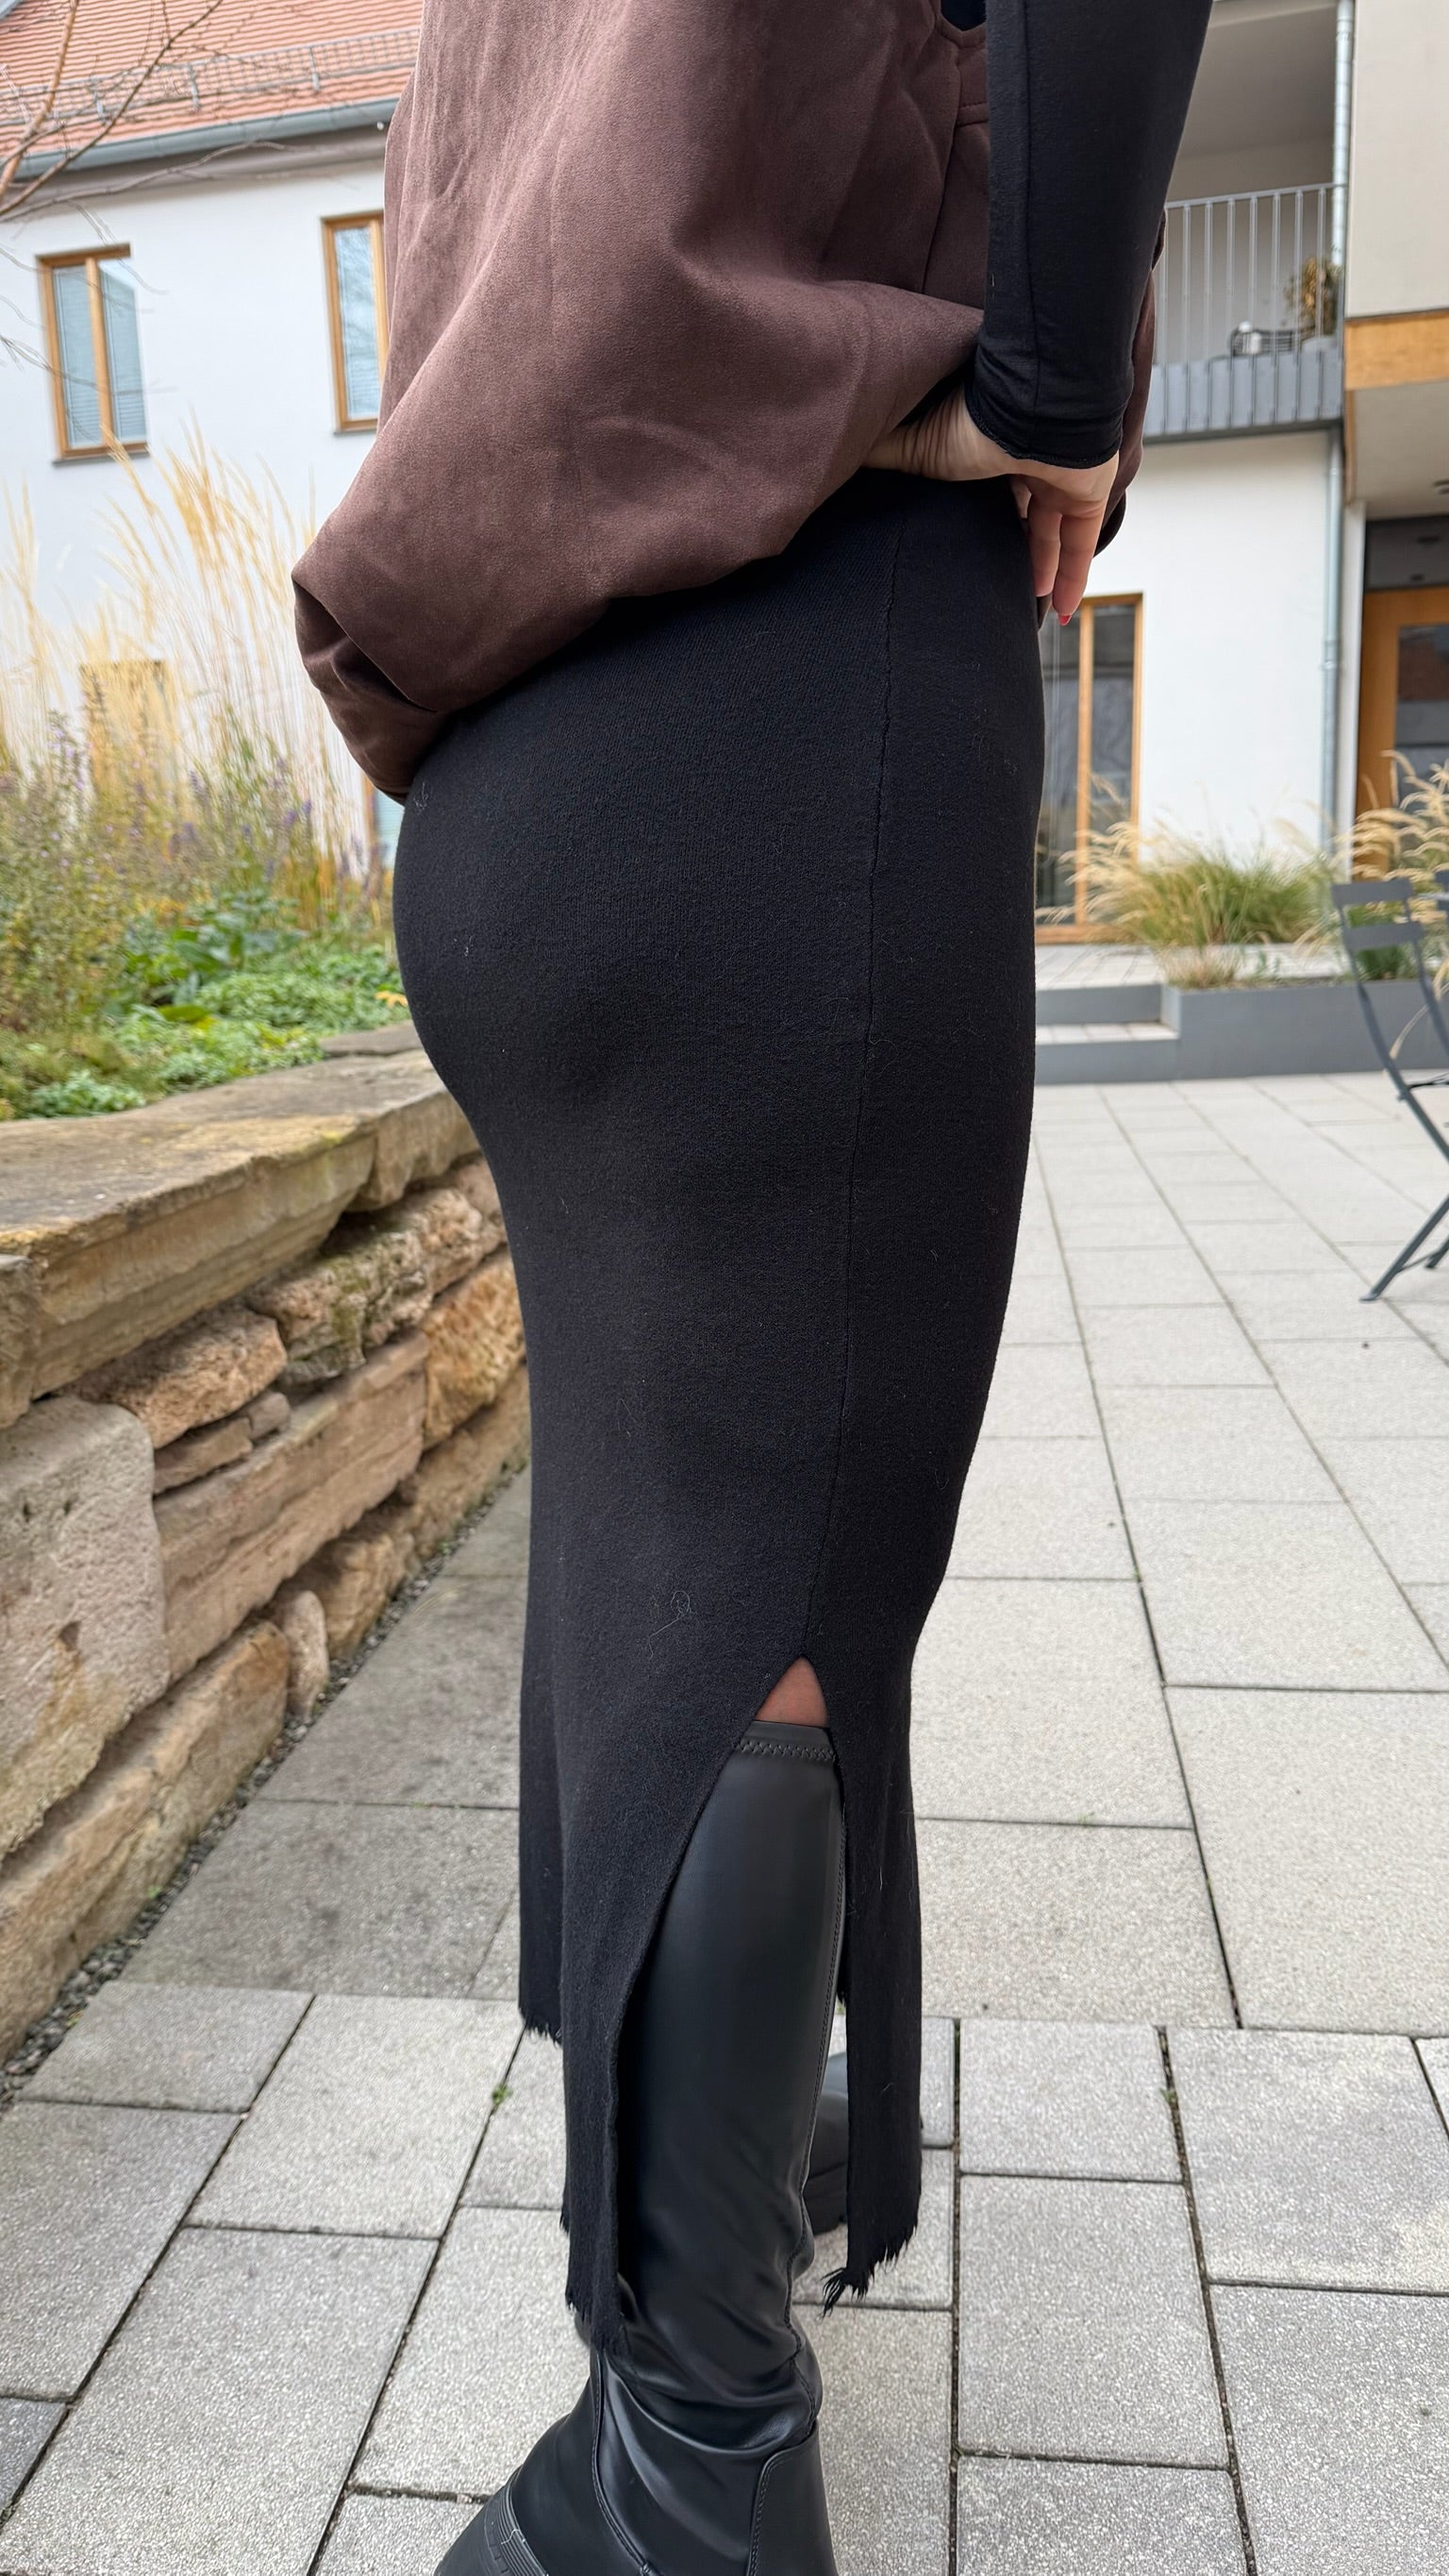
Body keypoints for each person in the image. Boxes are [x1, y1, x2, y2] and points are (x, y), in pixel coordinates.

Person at [293, 5, 1210, 2569]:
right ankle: (693, 2462)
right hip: (788, 692)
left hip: (523, 766)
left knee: (654, 1506)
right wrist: (1043, 379)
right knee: (769, 1563)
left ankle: (718, 2133)